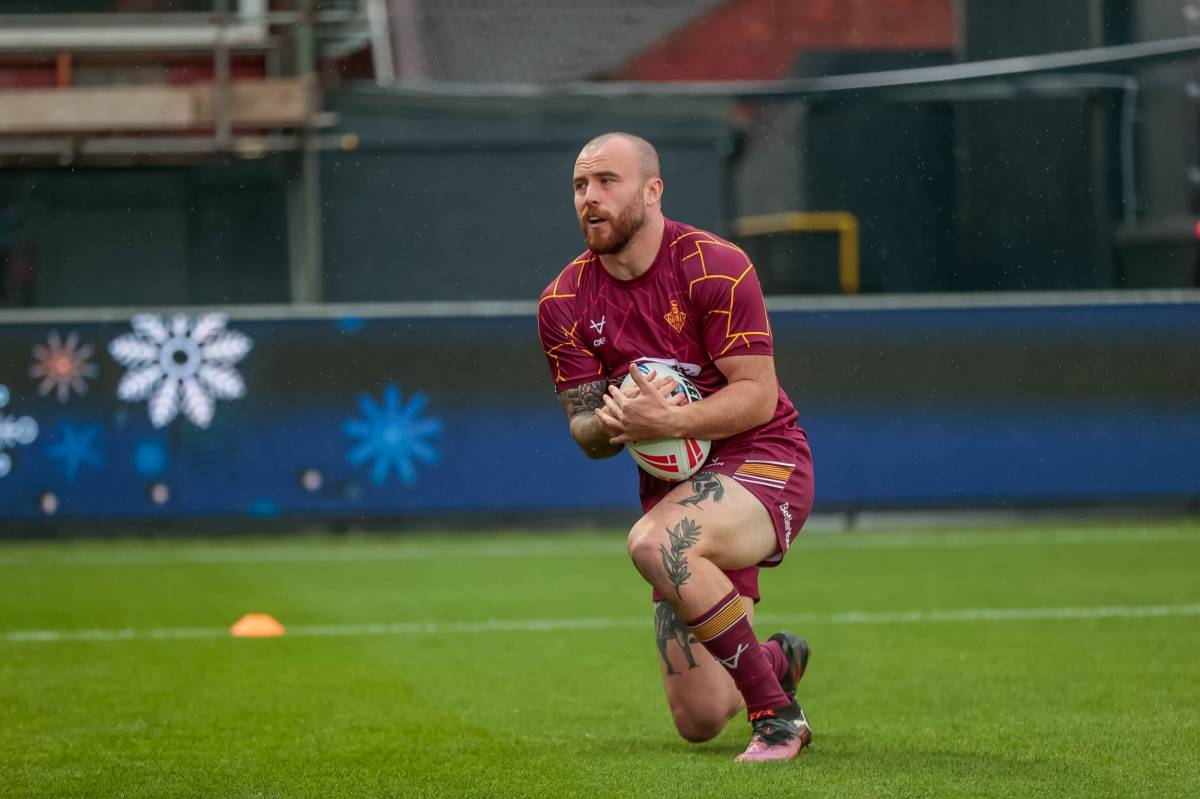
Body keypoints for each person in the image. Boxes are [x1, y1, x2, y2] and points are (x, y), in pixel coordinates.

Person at [536, 132, 816, 762]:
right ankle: (777, 661)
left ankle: (778, 719)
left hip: (765, 459)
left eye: (607, 181)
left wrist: (673, 418)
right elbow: (584, 431)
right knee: (700, 718)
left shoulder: (716, 266)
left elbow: (758, 397)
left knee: (653, 543)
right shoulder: (562, 303)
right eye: (580, 185)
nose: (589, 197)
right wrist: (611, 422)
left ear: (652, 190)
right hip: (677, 490)